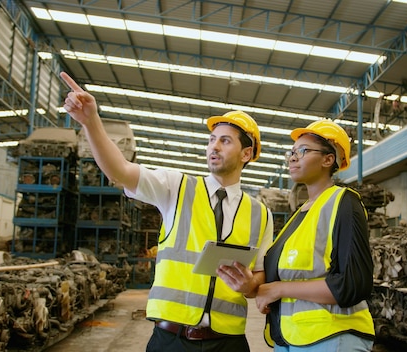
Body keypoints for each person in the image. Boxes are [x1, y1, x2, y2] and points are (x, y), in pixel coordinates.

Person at [60, 72, 274, 352]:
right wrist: (91, 122)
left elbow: (260, 276)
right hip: (171, 340)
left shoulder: (261, 214)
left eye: (225, 141)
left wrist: (248, 285)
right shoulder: (176, 187)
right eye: (211, 140)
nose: (214, 147)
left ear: (246, 154)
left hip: (228, 342)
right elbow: (120, 170)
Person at [255, 120, 375, 351]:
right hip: (291, 339)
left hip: (332, 337)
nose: (292, 158)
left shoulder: (343, 202)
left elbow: (353, 284)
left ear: (328, 159)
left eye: (302, 151)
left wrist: (278, 289)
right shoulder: (300, 214)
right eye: (291, 152)